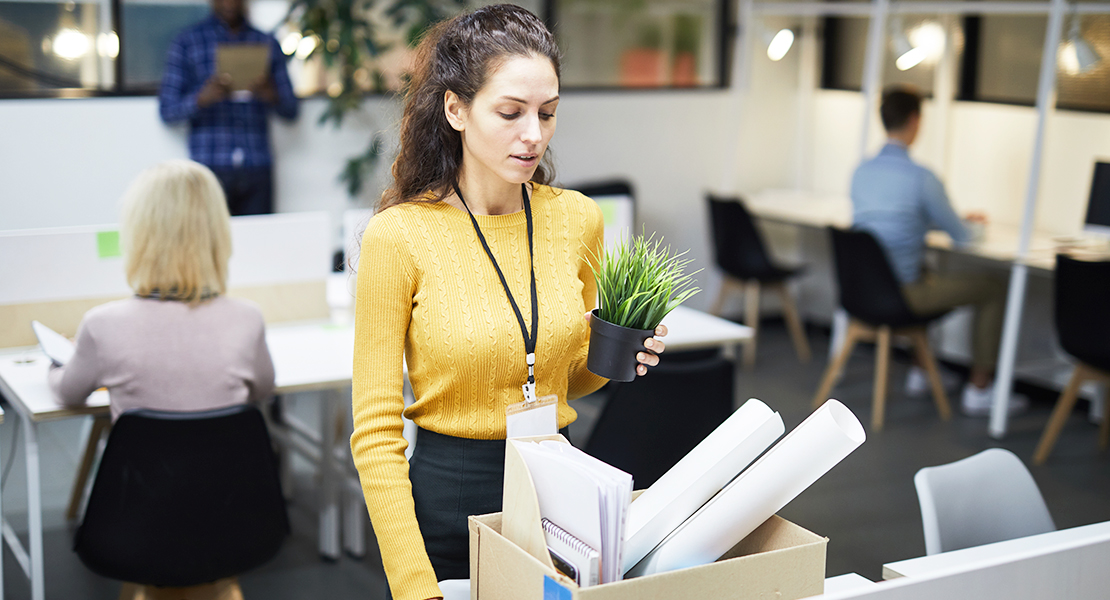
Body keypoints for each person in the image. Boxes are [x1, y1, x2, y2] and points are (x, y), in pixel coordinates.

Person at [349, 6, 666, 600]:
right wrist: (415, 588)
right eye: (510, 112)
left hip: (560, 494)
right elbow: (374, 432)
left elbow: (564, 381)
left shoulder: (576, 218)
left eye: (547, 113)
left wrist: (615, 355)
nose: (534, 134)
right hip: (453, 500)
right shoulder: (400, 236)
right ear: (456, 110)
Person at [49, 160, 275, 421]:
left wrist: (56, 363)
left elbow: (68, 393)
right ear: (217, 233)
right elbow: (264, 389)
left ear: (139, 234)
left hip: (138, 463)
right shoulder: (247, 318)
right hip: (229, 462)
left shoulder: (102, 326)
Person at [850, 85, 1024, 417]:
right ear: (915, 120)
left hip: (865, 291)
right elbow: (962, 238)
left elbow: (891, 222)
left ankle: (921, 371)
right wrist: (973, 225)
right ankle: (980, 389)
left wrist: (933, 223)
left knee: (929, 274)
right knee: (993, 287)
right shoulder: (921, 177)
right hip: (902, 293)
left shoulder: (861, 171)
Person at [158, 0, 298, 216]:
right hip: (209, 167)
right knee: (209, 244)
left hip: (256, 165)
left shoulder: (266, 42)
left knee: (260, 241)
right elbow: (168, 110)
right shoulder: (187, 42)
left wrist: (270, 94)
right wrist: (201, 98)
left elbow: (291, 110)